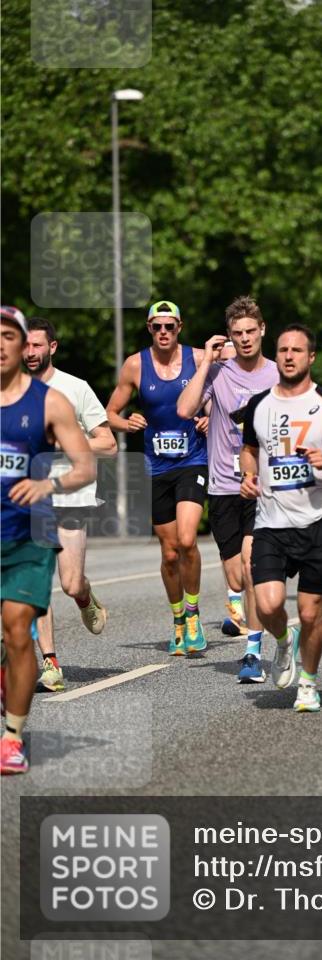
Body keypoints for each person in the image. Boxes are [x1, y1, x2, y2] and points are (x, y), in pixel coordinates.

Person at [239, 324, 322, 712]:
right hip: (271, 520)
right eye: (283, 350)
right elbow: (248, 448)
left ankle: (308, 682)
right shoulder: (259, 404)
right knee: (269, 605)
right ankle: (281, 642)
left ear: (312, 357)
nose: (289, 356)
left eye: (297, 350)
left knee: (310, 613)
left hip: (317, 518)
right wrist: (247, 475)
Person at [1, 306, 94, 774]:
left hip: (28, 533)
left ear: (26, 346)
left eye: (8, 336)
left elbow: (86, 465)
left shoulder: (51, 402)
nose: (0, 344)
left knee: (18, 629)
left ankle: (12, 737)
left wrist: (48, 485)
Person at [177, 296, 278, 682]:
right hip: (222, 486)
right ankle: (259, 623)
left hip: (261, 487)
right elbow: (186, 410)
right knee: (235, 577)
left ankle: (253, 653)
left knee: (252, 571)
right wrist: (205, 362)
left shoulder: (275, 375)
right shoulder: (217, 373)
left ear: (262, 330)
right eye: (238, 333)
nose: (245, 338)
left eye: (251, 331)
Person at [106, 301, 209, 655]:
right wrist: (127, 421)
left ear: (180, 327)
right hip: (155, 466)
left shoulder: (198, 358)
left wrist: (213, 418)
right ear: (149, 329)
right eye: (156, 327)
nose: (163, 333)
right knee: (168, 554)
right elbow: (110, 414)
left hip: (192, 460)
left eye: (169, 326)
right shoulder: (135, 365)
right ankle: (178, 620)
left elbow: (221, 399)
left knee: (187, 540)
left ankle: (194, 616)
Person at [23, 317, 118, 692]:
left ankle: (84, 594)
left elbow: (107, 443)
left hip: (72, 495)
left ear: (52, 348)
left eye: (37, 346)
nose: (30, 353)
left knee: (69, 581)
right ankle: (50, 662)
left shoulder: (74, 389)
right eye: (25, 346)